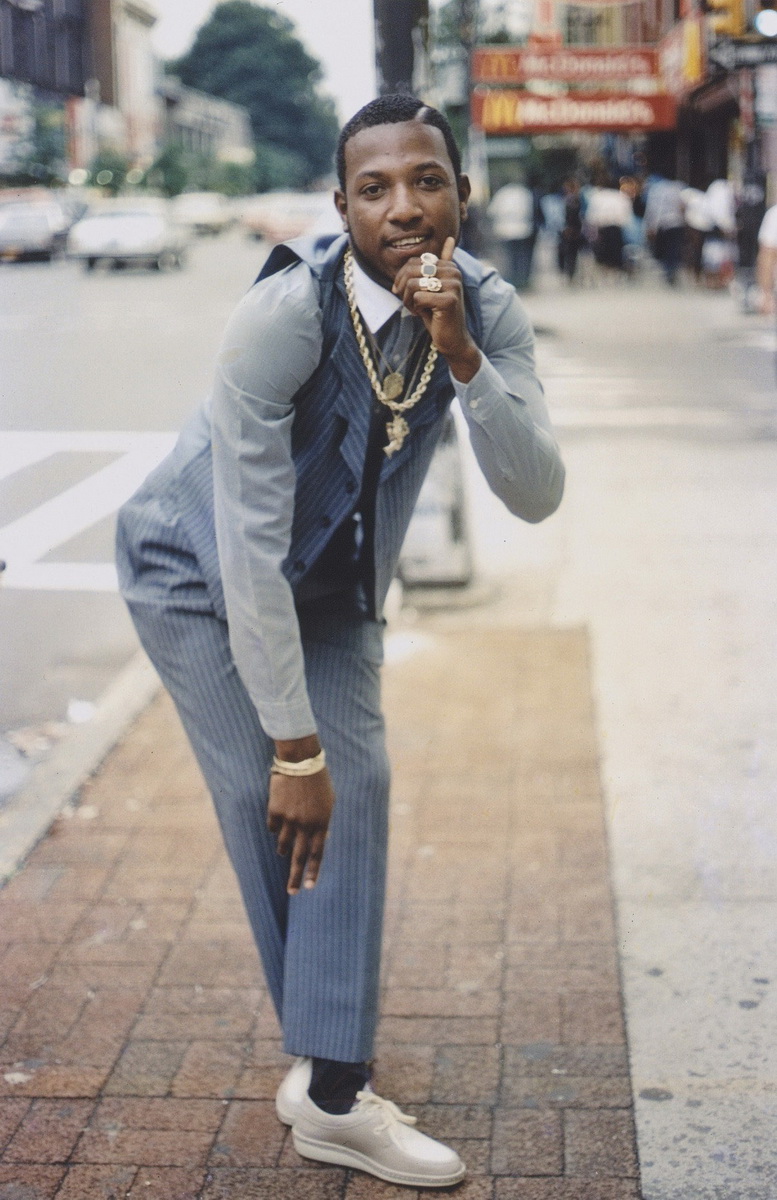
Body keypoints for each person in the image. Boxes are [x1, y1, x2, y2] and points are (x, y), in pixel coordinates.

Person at [115, 95, 564, 1189]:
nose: (404, 207)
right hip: (195, 567)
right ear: (341, 207)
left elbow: (535, 492)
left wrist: (464, 355)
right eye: (375, 189)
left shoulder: (488, 308)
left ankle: (325, 1081)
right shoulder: (283, 317)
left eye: (427, 180)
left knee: (351, 791)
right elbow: (246, 544)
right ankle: (335, 1083)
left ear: (464, 194)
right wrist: (293, 744)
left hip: (335, 584)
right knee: (272, 796)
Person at [487, 171, 538, 289]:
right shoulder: (524, 193)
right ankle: (523, 280)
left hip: (505, 230)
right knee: (522, 257)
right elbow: (530, 211)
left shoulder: (502, 193)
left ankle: (511, 280)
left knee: (509, 258)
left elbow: (492, 211)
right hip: (523, 229)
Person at [644, 170, 686, 285]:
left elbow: (653, 208)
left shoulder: (656, 189)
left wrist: (652, 226)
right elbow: (683, 206)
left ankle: (668, 270)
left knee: (665, 247)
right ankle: (672, 270)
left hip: (663, 223)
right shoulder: (679, 187)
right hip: (676, 222)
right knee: (674, 247)